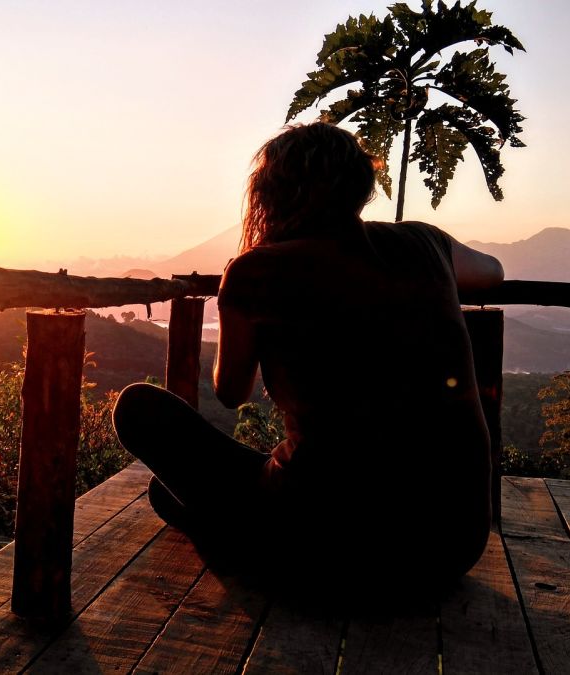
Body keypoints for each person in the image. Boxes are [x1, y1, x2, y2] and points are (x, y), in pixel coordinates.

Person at [112, 122, 504, 591]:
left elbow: (231, 393)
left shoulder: (254, 271)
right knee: (200, 485)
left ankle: (241, 539)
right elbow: (493, 273)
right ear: (359, 185)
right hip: (450, 546)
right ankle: (235, 521)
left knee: (139, 412)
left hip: (327, 543)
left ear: (272, 192)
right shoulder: (424, 242)